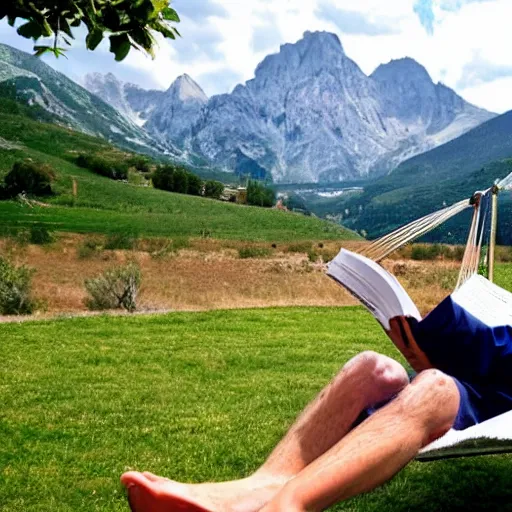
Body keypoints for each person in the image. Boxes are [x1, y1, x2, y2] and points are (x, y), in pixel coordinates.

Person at [121, 350, 467, 512]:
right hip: (441, 375)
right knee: (374, 367)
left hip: (481, 401)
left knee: (434, 387)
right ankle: (253, 490)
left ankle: (288, 504)